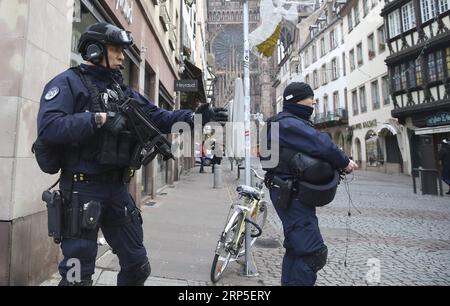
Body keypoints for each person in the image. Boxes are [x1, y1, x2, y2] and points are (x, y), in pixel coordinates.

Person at [36, 22, 226, 286]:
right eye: (115, 49)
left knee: (138, 267)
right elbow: (50, 128)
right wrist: (98, 119)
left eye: (123, 50)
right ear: (94, 50)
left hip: (117, 190)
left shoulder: (122, 91)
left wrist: (199, 116)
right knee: (77, 275)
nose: (122, 56)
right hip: (81, 191)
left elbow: (160, 117)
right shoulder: (68, 83)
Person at [262, 82, 358, 286]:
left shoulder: (283, 122)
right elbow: (320, 144)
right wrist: (344, 161)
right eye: (310, 98)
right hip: (292, 194)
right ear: (297, 100)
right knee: (312, 253)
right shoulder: (289, 124)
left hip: (289, 192)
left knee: (297, 249)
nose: (313, 101)